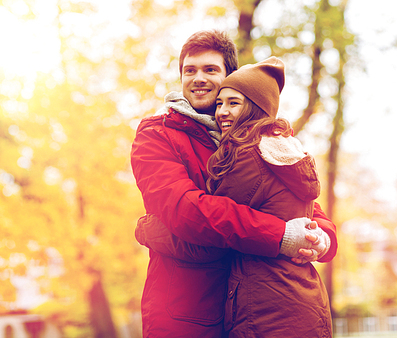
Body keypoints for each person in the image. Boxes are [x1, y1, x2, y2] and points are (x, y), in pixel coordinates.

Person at [131, 30, 337, 337]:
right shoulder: (158, 133)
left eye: (210, 70)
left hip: (248, 306)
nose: (198, 78)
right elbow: (185, 210)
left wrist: (322, 236)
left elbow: (295, 199)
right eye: (190, 70)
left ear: (229, 76)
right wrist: (280, 235)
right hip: (187, 313)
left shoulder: (249, 139)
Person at [207, 56, 332, 337]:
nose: (222, 112)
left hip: (266, 304)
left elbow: (214, 222)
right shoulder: (283, 151)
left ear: (255, 108)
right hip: (304, 296)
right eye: (220, 103)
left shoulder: (247, 157)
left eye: (233, 103)